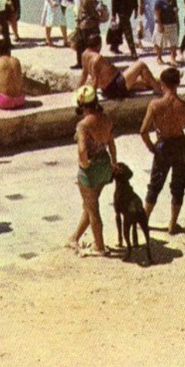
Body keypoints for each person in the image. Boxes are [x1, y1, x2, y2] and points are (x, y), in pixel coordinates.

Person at [139, 67, 185, 233]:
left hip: (164, 145)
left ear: (162, 84)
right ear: (178, 84)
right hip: (181, 146)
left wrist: (152, 148)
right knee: (178, 185)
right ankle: (172, 224)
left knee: (154, 186)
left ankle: (144, 220)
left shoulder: (155, 105)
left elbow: (143, 131)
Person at [67, 85, 117, 256]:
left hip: (91, 169)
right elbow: (111, 143)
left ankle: (99, 246)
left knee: (93, 208)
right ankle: (74, 237)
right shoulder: (107, 119)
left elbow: (82, 150)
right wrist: (114, 162)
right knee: (90, 204)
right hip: (105, 165)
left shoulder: (83, 125)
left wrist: (85, 165)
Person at [79, 47, 160, 101]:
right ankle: (159, 91)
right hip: (117, 86)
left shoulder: (84, 55)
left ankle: (156, 84)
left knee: (144, 82)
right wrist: (91, 99)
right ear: (98, 45)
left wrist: (78, 92)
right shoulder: (97, 58)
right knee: (141, 65)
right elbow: (95, 80)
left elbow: (83, 76)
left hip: (110, 88)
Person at [72, 0, 102, 67]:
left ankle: (85, 63)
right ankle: (82, 63)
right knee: (81, 44)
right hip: (84, 22)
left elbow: (90, 9)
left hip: (87, 23)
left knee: (87, 44)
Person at [153, 0, 180, 66]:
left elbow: (175, 8)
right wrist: (159, 25)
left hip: (172, 23)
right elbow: (157, 13)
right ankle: (159, 58)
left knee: (173, 41)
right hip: (162, 23)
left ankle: (172, 59)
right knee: (159, 41)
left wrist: (176, 12)